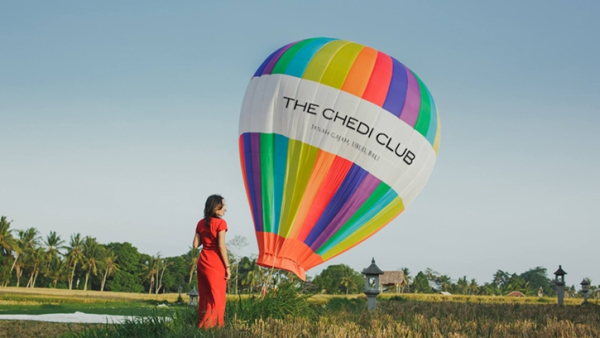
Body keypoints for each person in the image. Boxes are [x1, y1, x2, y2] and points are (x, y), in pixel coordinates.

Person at [193, 194, 230, 328]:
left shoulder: (201, 223)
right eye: (223, 205)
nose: (225, 208)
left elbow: (195, 245)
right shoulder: (221, 223)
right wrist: (228, 266)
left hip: (203, 262)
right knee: (217, 297)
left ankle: (202, 324)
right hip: (215, 263)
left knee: (205, 296)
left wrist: (205, 233)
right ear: (215, 207)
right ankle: (215, 326)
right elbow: (221, 246)